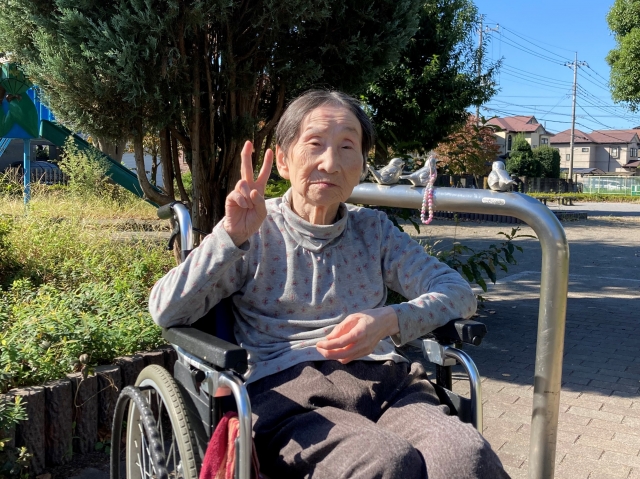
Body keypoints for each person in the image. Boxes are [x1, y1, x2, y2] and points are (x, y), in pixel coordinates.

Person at [150, 90, 509, 479]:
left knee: (467, 457)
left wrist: (390, 320)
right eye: (315, 144)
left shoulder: (374, 231)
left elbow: (458, 292)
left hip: (389, 386)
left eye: (346, 146)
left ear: (361, 164)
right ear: (284, 160)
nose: (330, 163)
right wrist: (229, 237)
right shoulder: (255, 231)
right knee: (384, 463)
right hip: (290, 396)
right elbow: (165, 310)